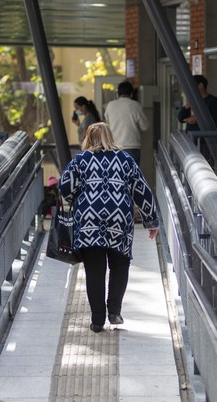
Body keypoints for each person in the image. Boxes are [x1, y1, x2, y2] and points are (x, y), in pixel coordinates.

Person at [58, 122, 159, 333]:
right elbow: (142, 189)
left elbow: (65, 188)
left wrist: (78, 196)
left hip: (88, 222)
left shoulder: (81, 160)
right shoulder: (125, 159)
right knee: (120, 265)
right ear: (110, 137)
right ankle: (114, 311)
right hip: (119, 220)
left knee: (94, 271)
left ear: (88, 138)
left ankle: (97, 321)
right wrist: (151, 220)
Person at [177, 74, 217, 162]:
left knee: (206, 167)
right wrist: (186, 107)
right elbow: (180, 118)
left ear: (201, 86)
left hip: (206, 143)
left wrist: (196, 121)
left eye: (192, 86)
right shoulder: (192, 101)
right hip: (190, 142)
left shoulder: (213, 102)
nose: (190, 89)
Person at [103, 81, 149, 164]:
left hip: (114, 147)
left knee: (117, 175)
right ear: (131, 93)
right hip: (132, 147)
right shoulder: (135, 105)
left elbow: (107, 124)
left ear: (118, 93)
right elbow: (145, 126)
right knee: (132, 175)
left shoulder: (110, 105)